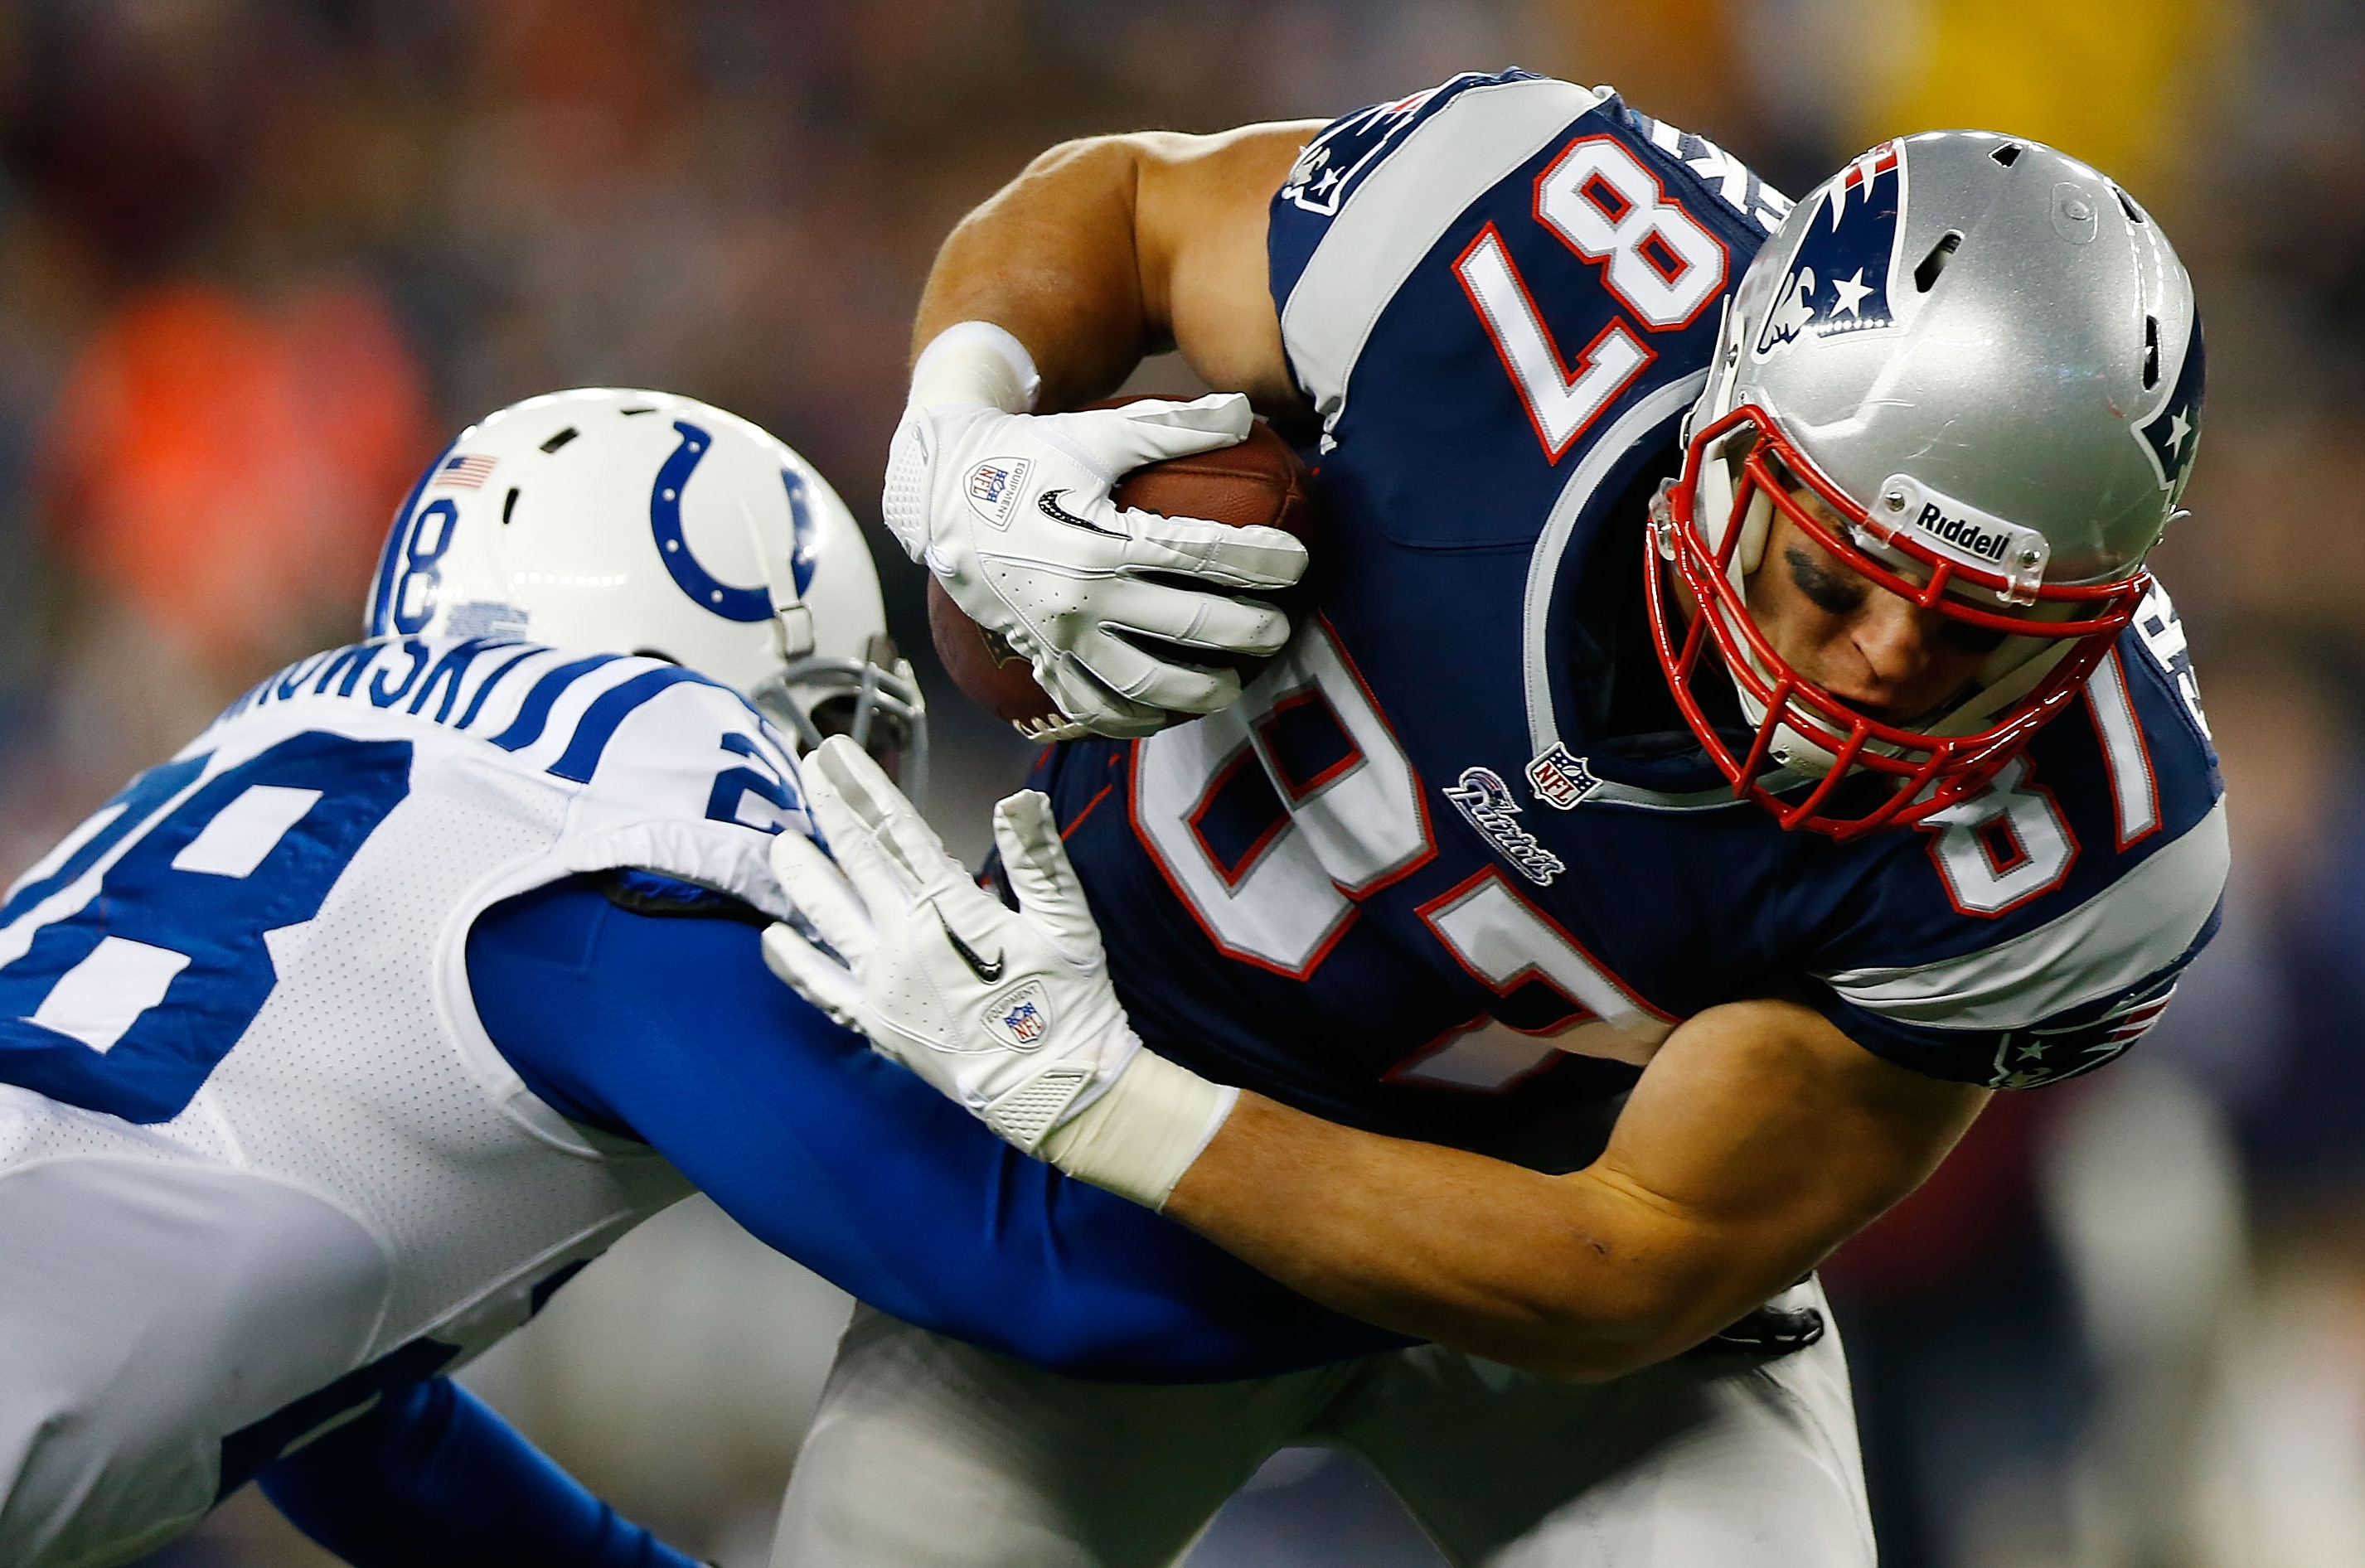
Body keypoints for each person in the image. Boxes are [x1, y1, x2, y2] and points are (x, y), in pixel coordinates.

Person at [758, 70, 2226, 1565]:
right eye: (1836, 577)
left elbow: (1628, 1259)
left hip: (1518, 1230)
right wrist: (961, 428)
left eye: (1978, 632)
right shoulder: (1516, 246)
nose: (1883, 668)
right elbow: (1130, 204)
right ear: (1723, 441)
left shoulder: (2097, 838)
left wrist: (1105, 1099)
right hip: (1097, 1148)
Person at [0, 387, 1399, 1568]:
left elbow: (340, 1423)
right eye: (835, 722)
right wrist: (1451, 1263)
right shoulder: (603, 826)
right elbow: (1005, 1262)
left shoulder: (264, 757)